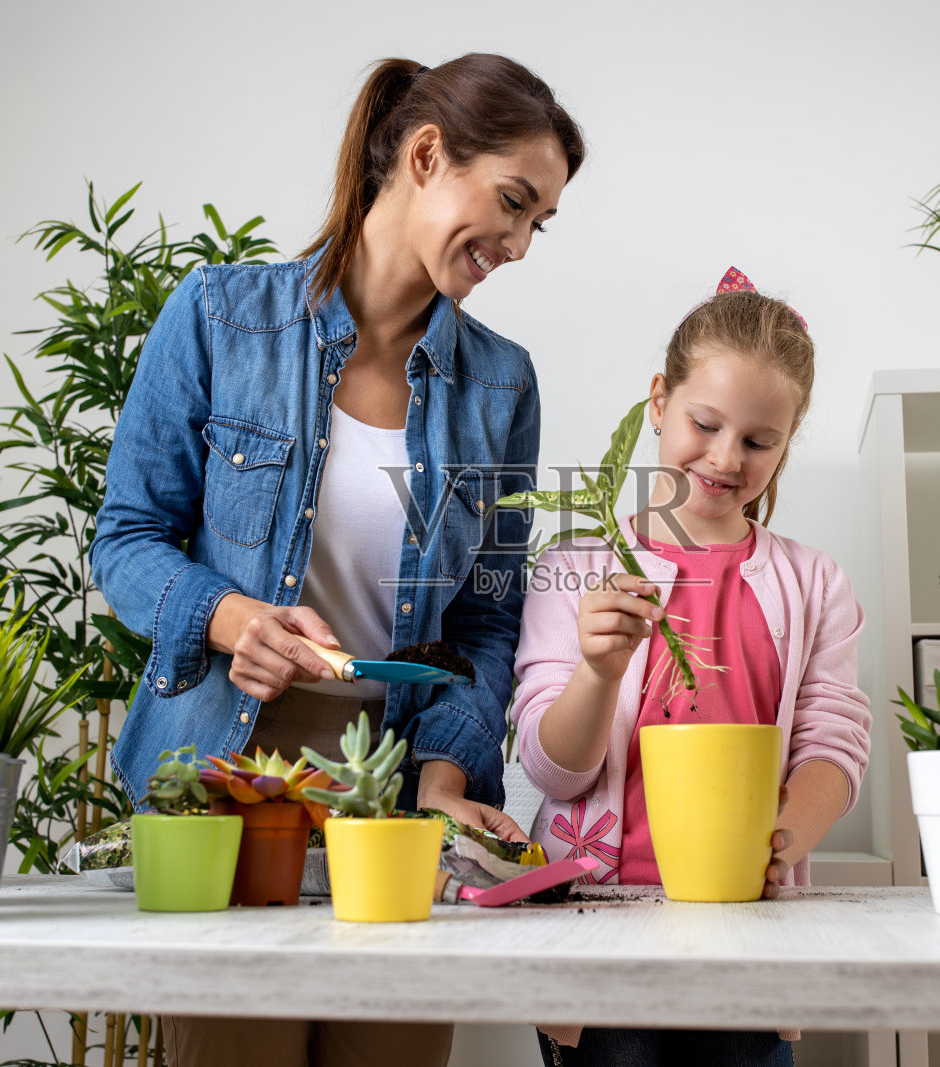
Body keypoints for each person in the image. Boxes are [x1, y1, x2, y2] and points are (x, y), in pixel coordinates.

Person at [90, 53, 584, 1067]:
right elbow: (126, 538)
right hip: (225, 783)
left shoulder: (502, 384)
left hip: (395, 797)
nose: (519, 245)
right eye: (512, 203)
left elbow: (485, 617)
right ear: (426, 154)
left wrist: (444, 778)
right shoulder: (220, 317)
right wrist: (233, 618)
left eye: (539, 223)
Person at [510, 269, 872, 1067]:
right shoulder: (577, 569)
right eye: (704, 423)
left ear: (787, 442)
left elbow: (834, 744)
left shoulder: (815, 583)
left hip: (749, 934)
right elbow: (552, 768)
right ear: (658, 401)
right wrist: (597, 670)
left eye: (759, 441)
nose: (725, 456)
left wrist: (777, 848)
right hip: (598, 929)